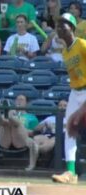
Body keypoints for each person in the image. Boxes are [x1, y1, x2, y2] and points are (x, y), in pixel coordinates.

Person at [51, 13, 86, 184]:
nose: (59, 28)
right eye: (57, 25)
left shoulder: (82, 44)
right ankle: (71, 172)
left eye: (63, 25)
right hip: (75, 92)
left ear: (71, 28)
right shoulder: (65, 52)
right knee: (70, 130)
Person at [0, 95, 39, 171]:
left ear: (26, 103)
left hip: (21, 140)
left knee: (17, 124)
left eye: (21, 100)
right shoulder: (10, 112)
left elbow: (32, 132)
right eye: (17, 99)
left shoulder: (31, 117)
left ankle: (5, 117)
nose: (19, 101)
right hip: (6, 140)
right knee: (6, 124)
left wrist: (19, 128)